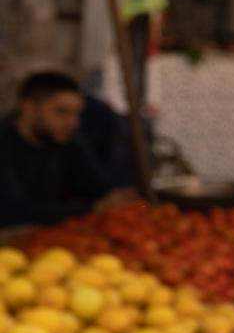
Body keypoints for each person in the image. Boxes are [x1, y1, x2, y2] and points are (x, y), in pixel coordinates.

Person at [0, 71, 135, 226]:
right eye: (61, 112)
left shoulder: (65, 141)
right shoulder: (4, 142)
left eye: (76, 114)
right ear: (28, 108)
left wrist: (119, 199)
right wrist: (93, 208)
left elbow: (100, 189)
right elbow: (10, 212)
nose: (72, 123)